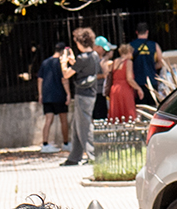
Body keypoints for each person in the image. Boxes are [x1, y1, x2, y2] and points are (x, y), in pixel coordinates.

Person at [63, 34, 104, 167]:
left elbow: (66, 74)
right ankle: (74, 157)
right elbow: (83, 67)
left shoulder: (82, 58)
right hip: (91, 93)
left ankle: (93, 156)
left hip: (83, 95)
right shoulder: (94, 56)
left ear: (80, 43)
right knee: (77, 125)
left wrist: (63, 63)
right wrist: (74, 62)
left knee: (84, 125)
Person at [32, 43, 68, 153]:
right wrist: (68, 93)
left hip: (48, 95)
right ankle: (66, 143)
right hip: (60, 94)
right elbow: (64, 79)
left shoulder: (45, 62)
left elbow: (40, 79)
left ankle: (45, 143)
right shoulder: (62, 63)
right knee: (64, 120)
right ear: (63, 51)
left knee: (48, 120)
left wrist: (41, 94)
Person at [102, 34, 138, 121]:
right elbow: (129, 79)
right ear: (129, 52)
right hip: (124, 89)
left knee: (116, 115)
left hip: (114, 90)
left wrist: (106, 57)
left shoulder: (114, 62)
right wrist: (139, 88)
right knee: (128, 114)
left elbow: (104, 70)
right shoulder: (128, 62)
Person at [128, 23, 163, 102]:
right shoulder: (155, 45)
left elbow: (127, 63)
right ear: (147, 32)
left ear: (136, 32)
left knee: (140, 107)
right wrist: (151, 68)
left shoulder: (130, 46)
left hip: (137, 82)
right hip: (151, 81)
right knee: (152, 106)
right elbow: (160, 63)